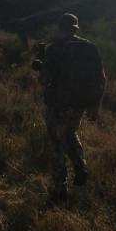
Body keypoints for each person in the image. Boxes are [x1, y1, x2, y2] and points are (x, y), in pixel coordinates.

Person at [38, 13, 105, 203]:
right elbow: (102, 79)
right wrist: (96, 106)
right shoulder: (90, 48)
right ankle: (79, 165)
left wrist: (40, 72)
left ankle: (60, 191)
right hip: (80, 104)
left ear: (61, 28)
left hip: (58, 104)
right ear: (76, 29)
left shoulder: (54, 49)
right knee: (70, 132)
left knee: (56, 143)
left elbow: (43, 81)